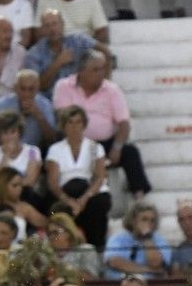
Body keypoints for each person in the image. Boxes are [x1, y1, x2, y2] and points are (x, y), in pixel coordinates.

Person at [52, 51, 151, 201]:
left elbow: (124, 123)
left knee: (130, 152)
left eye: (103, 68)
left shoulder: (112, 89)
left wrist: (117, 148)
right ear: (81, 71)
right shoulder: (64, 87)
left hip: (106, 144)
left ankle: (140, 200)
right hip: (74, 142)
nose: (101, 73)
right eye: (95, 70)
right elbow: (63, 119)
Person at [44, 104, 110, 249]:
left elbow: (99, 177)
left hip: (89, 191)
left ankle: (96, 246)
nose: (74, 127)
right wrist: (69, 201)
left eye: (78, 122)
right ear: (64, 125)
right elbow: (53, 182)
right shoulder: (55, 149)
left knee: (99, 203)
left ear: (84, 124)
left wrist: (83, 200)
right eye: (70, 122)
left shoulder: (95, 147)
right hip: (65, 192)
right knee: (56, 207)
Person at [24, 8, 104, 96]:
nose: (52, 29)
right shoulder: (33, 54)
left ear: (63, 24)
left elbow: (106, 52)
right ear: (42, 29)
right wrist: (58, 63)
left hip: (80, 98)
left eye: (55, 24)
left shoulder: (78, 41)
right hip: (50, 101)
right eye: (47, 25)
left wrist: (104, 84)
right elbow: (38, 86)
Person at [0, 166, 45, 245]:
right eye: (15, 185)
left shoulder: (25, 208)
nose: (20, 189)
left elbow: (46, 223)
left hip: (19, 251)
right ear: (2, 186)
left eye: (20, 185)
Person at [103, 201, 171, 279]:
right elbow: (115, 262)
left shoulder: (160, 240)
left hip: (150, 285)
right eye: (144, 219)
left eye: (152, 220)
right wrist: (148, 270)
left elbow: (156, 264)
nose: (148, 224)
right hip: (118, 284)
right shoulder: (117, 238)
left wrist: (147, 237)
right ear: (133, 221)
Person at [0, 69, 57, 149]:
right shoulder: (3, 104)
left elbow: (52, 139)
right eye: (23, 89)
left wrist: (39, 116)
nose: (26, 94)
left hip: (32, 152)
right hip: (5, 149)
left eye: (31, 89)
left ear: (37, 88)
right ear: (15, 88)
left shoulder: (45, 105)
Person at [0, 109, 41, 189]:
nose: (9, 137)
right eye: (5, 133)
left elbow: (30, 180)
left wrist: (11, 187)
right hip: (1, 195)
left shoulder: (33, 151)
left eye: (13, 132)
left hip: (26, 192)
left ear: (19, 132)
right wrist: (7, 155)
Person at [46, 211, 100, 280]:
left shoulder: (86, 250)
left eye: (55, 232)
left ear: (68, 232)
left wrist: (64, 270)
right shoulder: (47, 255)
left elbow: (90, 277)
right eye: (49, 233)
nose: (51, 237)